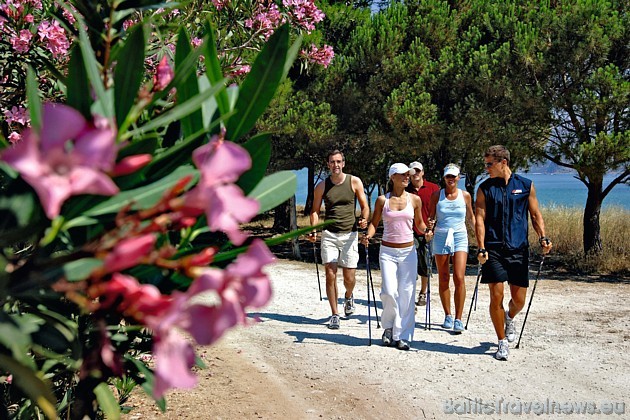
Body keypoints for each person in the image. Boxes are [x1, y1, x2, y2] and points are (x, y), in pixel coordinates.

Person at [475, 145, 553, 360]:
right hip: (494, 249)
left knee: (518, 300)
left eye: (490, 164)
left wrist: (543, 237)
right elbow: (479, 219)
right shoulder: (485, 188)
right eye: (486, 164)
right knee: (496, 295)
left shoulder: (526, 186)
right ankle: (501, 342)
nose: (486, 168)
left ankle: (509, 318)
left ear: (503, 163)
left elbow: (535, 215)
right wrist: (481, 246)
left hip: (518, 249)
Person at [361, 163, 433, 350]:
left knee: (407, 294)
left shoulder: (415, 200)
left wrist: (427, 232)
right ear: (392, 177)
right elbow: (374, 223)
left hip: (408, 252)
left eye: (407, 175)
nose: (406, 177)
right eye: (402, 175)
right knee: (389, 292)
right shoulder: (382, 200)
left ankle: (403, 335)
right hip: (388, 252)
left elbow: (420, 224)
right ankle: (389, 328)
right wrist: (368, 235)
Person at [308, 150, 369, 330]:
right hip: (329, 235)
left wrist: (364, 219)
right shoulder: (322, 186)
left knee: (349, 277)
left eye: (338, 161)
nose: (336, 165)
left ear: (343, 163)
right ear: (328, 164)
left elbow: (365, 206)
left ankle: (349, 296)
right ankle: (335, 314)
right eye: (332, 162)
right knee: (330, 274)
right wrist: (313, 229)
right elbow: (314, 211)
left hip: (350, 234)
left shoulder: (354, 181)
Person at [428, 163, 475, 333]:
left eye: (453, 176)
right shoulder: (436, 195)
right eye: (448, 176)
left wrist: (480, 237)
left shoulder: (465, 196)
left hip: (460, 235)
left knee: (459, 276)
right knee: (443, 277)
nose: (451, 179)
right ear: (444, 178)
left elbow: (471, 217)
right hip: (441, 236)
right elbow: (431, 217)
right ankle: (448, 314)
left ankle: (458, 318)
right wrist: (429, 227)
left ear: (458, 178)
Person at [406, 161, 440, 306]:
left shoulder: (433, 188)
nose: (416, 174)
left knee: (425, 263)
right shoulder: (405, 189)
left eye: (418, 171)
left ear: (423, 172)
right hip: (409, 232)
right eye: (413, 171)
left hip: (428, 232)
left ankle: (423, 292)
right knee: (410, 265)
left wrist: (432, 227)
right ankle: (409, 293)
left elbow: (438, 209)